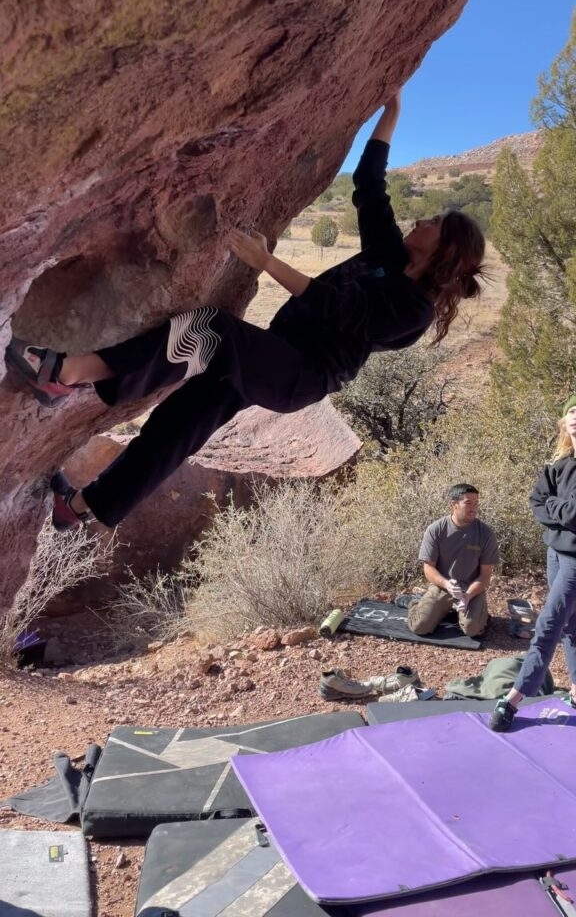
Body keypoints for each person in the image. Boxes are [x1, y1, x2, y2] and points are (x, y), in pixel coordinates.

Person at [6, 90, 487, 532]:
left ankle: (65, 373)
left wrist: (266, 262)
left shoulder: (413, 310)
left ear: (444, 249)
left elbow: (338, 307)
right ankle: (84, 506)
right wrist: (392, 113)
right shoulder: (390, 256)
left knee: (208, 329)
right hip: (276, 353)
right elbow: (368, 185)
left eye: (434, 223)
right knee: (182, 420)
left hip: (298, 375)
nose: (421, 219)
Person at [490, 396, 576, 732]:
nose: (575, 417)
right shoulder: (559, 464)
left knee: (548, 625)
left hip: (574, 561)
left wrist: (557, 514)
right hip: (555, 552)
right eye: (571, 411)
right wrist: (560, 516)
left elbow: (571, 514)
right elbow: (536, 500)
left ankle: (512, 700)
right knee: (571, 628)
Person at [407, 484, 499, 638]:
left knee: (472, 629)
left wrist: (468, 595)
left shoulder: (486, 533)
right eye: (468, 503)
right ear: (454, 505)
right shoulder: (436, 529)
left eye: (476, 503)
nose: (474, 508)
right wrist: (446, 584)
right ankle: (414, 603)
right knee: (419, 626)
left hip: (471, 589)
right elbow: (428, 568)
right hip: (444, 586)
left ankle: (477, 613)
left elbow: (485, 576)